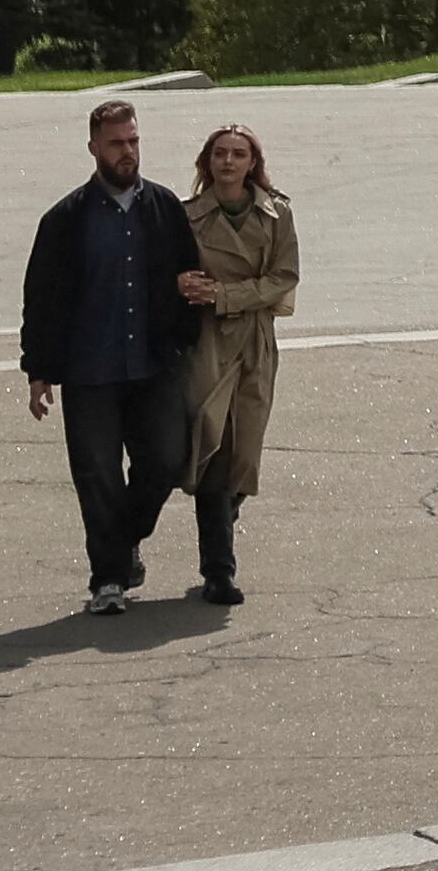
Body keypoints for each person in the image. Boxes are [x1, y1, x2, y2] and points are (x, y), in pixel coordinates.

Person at [18, 98, 204, 615]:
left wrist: (184, 333)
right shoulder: (64, 220)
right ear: (94, 147)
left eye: (134, 141)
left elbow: (189, 280)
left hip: (154, 365)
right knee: (97, 474)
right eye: (118, 143)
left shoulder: (165, 208)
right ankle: (108, 579)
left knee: (166, 460)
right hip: (90, 370)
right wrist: (38, 370)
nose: (128, 152)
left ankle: (124, 542)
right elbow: (42, 298)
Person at [176, 123, 300, 607]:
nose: (228, 162)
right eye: (220, 154)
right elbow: (172, 273)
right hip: (207, 345)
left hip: (254, 342)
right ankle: (219, 571)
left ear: (253, 163)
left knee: (245, 455)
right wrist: (184, 286)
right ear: (207, 163)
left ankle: (223, 519)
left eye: (239, 154)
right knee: (214, 450)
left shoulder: (277, 213)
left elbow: (284, 278)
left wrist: (226, 295)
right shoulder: (188, 218)